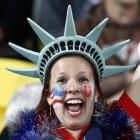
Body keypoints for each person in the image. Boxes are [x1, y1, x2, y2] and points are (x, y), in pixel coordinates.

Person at [5, 5, 140, 139]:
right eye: (62, 80)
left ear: (97, 93)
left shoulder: (119, 129)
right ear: (48, 95)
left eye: (83, 79)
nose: (73, 88)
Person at [76, 0, 140, 97]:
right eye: (123, 6)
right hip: (99, 108)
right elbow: (75, 86)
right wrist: (127, 79)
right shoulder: (82, 31)